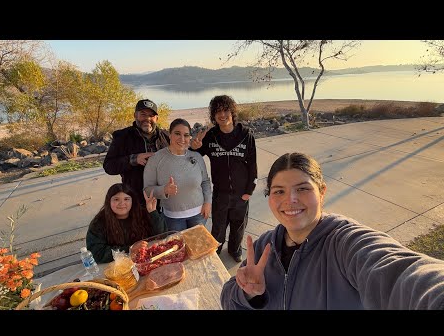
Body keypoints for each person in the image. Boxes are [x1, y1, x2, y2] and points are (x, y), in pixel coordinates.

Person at [220, 152, 444, 310]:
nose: (291, 200)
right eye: (279, 191)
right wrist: (249, 293)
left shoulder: (346, 243)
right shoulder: (264, 247)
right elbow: (227, 299)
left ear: (322, 192)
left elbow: (402, 275)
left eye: (303, 188)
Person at [190, 95, 257, 262]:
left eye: (226, 110)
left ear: (232, 112)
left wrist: (249, 190)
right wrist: (194, 147)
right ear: (214, 115)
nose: (222, 115)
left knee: (238, 226)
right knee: (218, 227)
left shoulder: (246, 135)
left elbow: (252, 164)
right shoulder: (210, 136)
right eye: (218, 111)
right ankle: (216, 252)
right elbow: (195, 157)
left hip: (241, 193)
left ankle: (235, 250)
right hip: (220, 193)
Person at [143, 118, 212, 231]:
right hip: (172, 218)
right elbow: (147, 190)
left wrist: (208, 202)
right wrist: (164, 190)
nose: (182, 139)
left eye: (186, 135)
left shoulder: (197, 157)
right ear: (169, 135)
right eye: (177, 134)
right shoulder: (156, 159)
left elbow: (205, 181)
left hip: (199, 215)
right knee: (178, 248)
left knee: (197, 247)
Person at [103, 99, 169, 207]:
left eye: (151, 115)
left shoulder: (166, 137)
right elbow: (109, 166)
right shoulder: (122, 137)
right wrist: (133, 159)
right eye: (143, 114)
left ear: (156, 118)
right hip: (136, 200)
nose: (147, 119)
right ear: (135, 115)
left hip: (163, 199)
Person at [86, 183, 167, 263]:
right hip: (117, 266)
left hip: (146, 261)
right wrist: (130, 249)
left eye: (126, 199)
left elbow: (163, 236)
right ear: (108, 201)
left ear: (132, 201)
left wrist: (153, 212)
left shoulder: (142, 213)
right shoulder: (98, 223)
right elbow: (97, 253)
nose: (122, 203)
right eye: (116, 199)